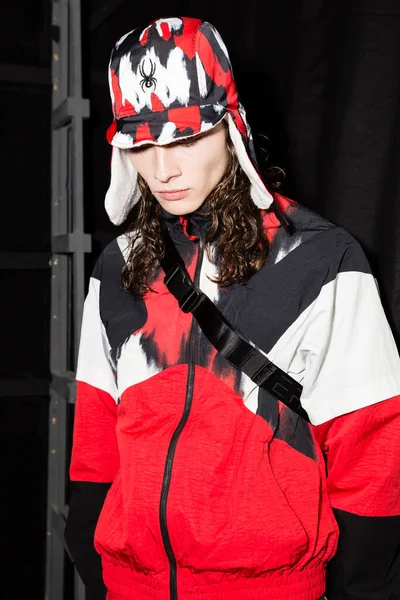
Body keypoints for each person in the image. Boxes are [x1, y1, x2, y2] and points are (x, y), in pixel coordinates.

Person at [64, 15, 400, 600]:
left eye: (186, 138)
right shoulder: (116, 267)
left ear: (230, 127)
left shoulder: (322, 261)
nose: (163, 169)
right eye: (142, 143)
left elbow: (372, 459)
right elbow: (95, 448)